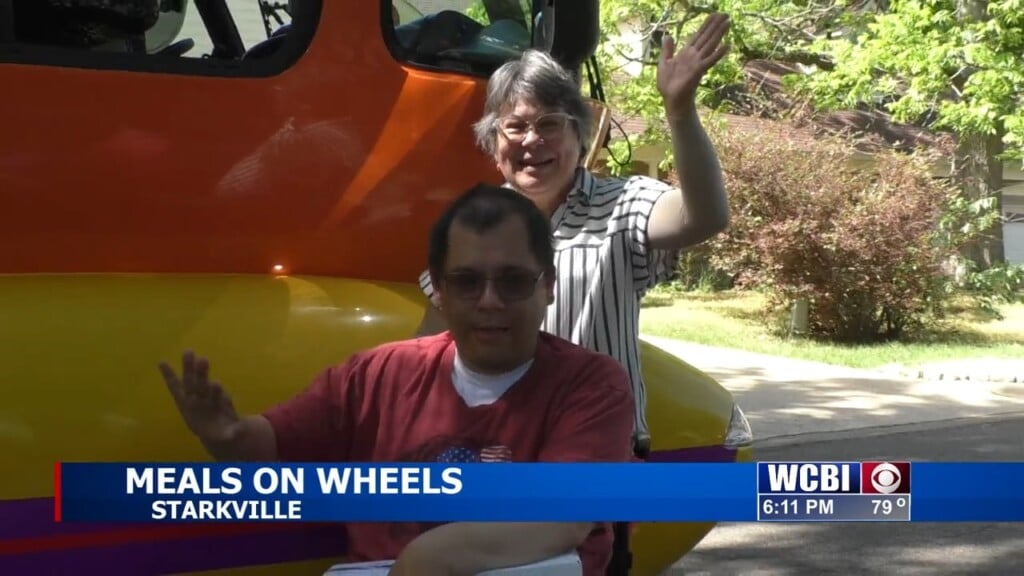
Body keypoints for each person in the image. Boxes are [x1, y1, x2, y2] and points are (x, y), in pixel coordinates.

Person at [157, 183, 636, 576]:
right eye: (467, 282)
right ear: (441, 290)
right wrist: (227, 436)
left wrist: (427, 560)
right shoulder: (375, 375)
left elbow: (562, 518)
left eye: (513, 281)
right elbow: (269, 446)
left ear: (548, 285)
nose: (489, 301)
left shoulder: (593, 386)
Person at [416, 14, 732, 455]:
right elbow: (429, 349)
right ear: (493, 141)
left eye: (549, 124)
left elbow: (705, 217)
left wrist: (679, 111)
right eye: (516, 126)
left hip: (597, 455)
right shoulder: (469, 226)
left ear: (579, 135)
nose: (532, 141)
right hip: (494, 457)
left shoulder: (624, 204)